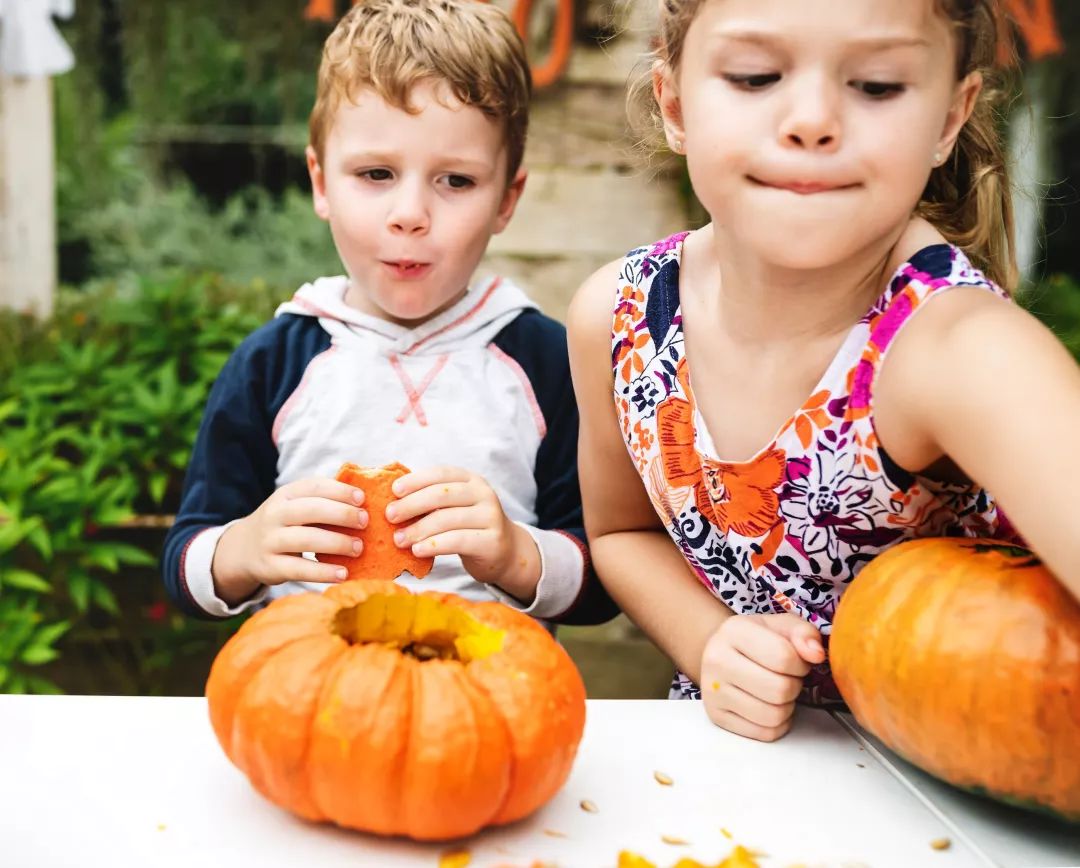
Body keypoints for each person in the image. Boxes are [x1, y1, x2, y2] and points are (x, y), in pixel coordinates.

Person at [568, 0, 1080, 740]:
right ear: (674, 103)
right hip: (733, 792)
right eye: (754, 76)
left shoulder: (960, 351)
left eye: (875, 85)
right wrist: (710, 641)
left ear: (947, 119)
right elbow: (621, 533)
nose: (812, 119)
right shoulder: (618, 318)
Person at [162, 0, 616, 627]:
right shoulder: (274, 362)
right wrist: (244, 548)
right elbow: (185, 561)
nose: (410, 213)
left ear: (507, 198)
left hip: (488, 688)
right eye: (376, 173)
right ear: (322, 183)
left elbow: (602, 582)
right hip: (314, 683)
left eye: (455, 181)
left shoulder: (546, 363)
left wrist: (518, 555)